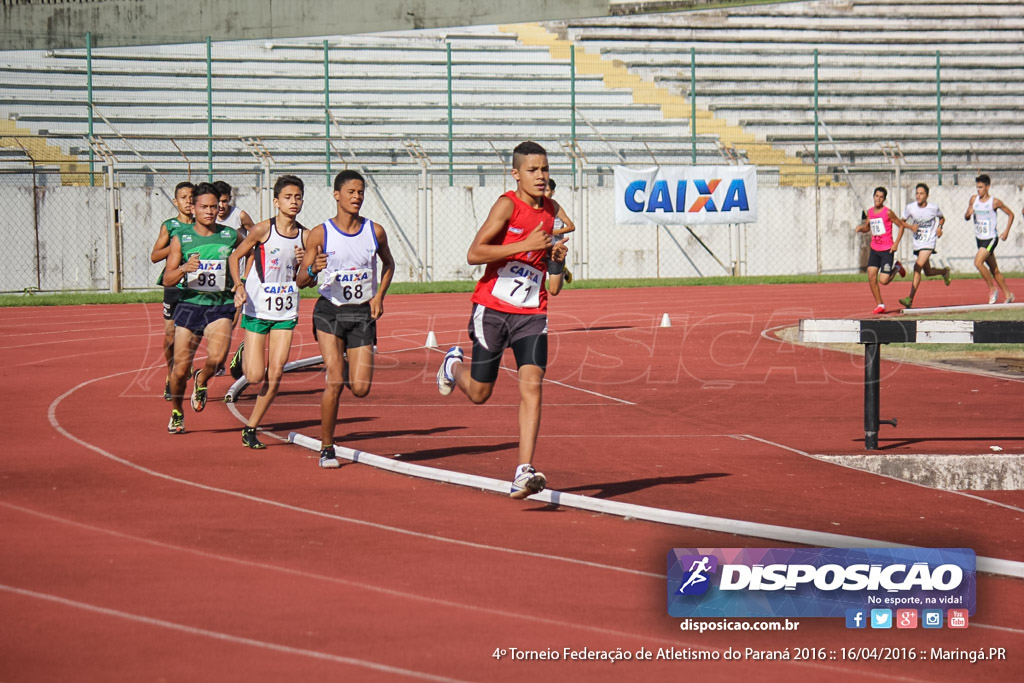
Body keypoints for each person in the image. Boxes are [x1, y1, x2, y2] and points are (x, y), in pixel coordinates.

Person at [435, 141, 570, 499]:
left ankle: (523, 471)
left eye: (544, 169)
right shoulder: (507, 205)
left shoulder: (552, 211)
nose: (541, 176)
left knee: (533, 384)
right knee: (480, 392)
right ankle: (452, 367)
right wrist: (524, 243)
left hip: (531, 313)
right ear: (516, 174)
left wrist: (554, 259)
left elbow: (553, 286)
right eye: (533, 170)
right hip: (492, 310)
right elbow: (474, 253)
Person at [296, 170, 396, 469]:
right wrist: (313, 268)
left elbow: (389, 263)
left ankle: (350, 359)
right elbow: (301, 280)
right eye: (351, 191)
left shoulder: (374, 231)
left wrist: (379, 296)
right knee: (335, 379)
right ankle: (327, 447)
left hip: (361, 312)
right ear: (337, 195)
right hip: (330, 310)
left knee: (361, 388)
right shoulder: (320, 233)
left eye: (361, 192)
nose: (357, 197)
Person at [227, 175, 308, 449]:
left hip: (285, 311)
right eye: (288, 197)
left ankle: (251, 427)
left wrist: (305, 266)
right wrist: (238, 284)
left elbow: (308, 280)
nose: (293, 202)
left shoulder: (306, 237)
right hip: (258, 307)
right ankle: (244, 353)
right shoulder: (263, 230)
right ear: (276, 202)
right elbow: (235, 256)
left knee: (276, 375)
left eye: (297, 197)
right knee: (254, 376)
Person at [162, 182, 243, 434]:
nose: (210, 211)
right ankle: (177, 411)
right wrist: (184, 269)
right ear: (193, 208)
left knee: (218, 359)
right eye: (204, 206)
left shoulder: (230, 235)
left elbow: (250, 250)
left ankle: (202, 378)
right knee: (179, 370)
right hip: (189, 305)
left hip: (220, 306)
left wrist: (241, 281)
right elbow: (167, 279)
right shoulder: (181, 238)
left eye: (214, 206)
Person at [150, 181, 194, 400]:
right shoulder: (170, 226)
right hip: (174, 285)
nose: (188, 201)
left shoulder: (202, 226)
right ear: (176, 201)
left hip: (196, 287)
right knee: (169, 336)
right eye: (184, 197)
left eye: (192, 197)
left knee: (192, 334)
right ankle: (170, 373)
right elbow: (155, 256)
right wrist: (177, 244)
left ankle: (184, 367)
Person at [214, 180, 255, 376]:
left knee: (229, 322)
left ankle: (220, 361)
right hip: (212, 280)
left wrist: (245, 278)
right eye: (217, 202)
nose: (221, 207)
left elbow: (256, 242)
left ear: (229, 200)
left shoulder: (240, 216)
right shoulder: (205, 218)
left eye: (224, 201)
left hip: (235, 281)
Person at [854, 186, 914, 314]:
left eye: (881, 197)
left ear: (884, 199)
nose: (878, 199)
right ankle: (880, 304)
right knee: (871, 276)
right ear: (873, 196)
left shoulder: (888, 213)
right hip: (875, 249)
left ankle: (897, 267)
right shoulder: (869, 212)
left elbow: (901, 226)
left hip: (887, 249)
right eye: (876, 196)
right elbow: (868, 228)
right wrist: (861, 229)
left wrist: (896, 244)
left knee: (884, 280)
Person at [898, 183, 951, 309]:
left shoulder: (933, 208)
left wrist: (939, 227)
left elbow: (942, 218)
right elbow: (901, 222)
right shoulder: (910, 208)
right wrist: (911, 227)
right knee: (928, 272)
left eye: (921, 193)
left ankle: (909, 298)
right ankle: (944, 272)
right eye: (917, 193)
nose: (918, 196)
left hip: (929, 242)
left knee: (917, 266)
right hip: (918, 242)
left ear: (927, 195)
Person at [964, 174, 1015, 304]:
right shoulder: (973, 200)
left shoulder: (994, 202)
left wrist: (1006, 232)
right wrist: (968, 214)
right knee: (995, 270)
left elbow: (1011, 214)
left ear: (987, 187)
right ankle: (1009, 295)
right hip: (979, 239)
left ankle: (992, 289)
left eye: (981, 187)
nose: (978, 190)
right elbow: (967, 216)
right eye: (977, 187)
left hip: (991, 238)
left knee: (978, 263)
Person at [543, 178, 576, 284]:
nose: (544, 193)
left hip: (555, 247)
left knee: (553, 290)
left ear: (552, 192)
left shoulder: (556, 207)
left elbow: (571, 226)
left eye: (547, 190)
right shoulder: (537, 207)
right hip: (542, 246)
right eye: (543, 190)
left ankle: (563, 271)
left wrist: (553, 232)